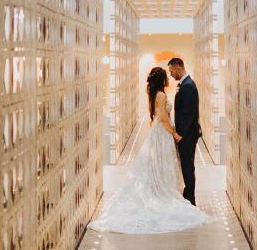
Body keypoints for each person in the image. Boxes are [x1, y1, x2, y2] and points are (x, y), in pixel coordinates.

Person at [87, 66, 213, 234]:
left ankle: (164, 188)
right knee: (162, 162)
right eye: (167, 74)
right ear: (162, 80)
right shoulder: (161, 95)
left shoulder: (157, 94)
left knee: (161, 163)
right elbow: (162, 117)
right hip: (164, 133)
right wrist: (174, 133)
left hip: (161, 133)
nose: (170, 76)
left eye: (171, 72)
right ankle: (163, 191)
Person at [167, 57, 201, 205]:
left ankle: (190, 199)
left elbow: (189, 114)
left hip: (187, 136)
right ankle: (188, 196)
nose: (171, 74)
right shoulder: (185, 84)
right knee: (186, 165)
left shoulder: (188, 86)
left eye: (171, 71)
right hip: (185, 135)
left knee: (188, 166)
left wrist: (180, 134)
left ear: (178, 68)